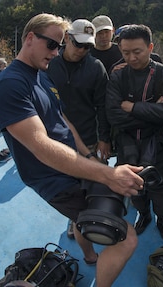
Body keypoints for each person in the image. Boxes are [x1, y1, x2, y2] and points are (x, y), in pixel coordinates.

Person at [0, 13, 144, 287]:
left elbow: (62, 121)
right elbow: (42, 147)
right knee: (126, 238)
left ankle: (88, 257)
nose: (56, 52)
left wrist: (88, 155)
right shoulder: (11, 84)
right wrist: (106, 175)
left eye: (59, 46)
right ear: (29, 38)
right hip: (55, 178)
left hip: (74, 164)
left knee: (81, 219)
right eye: (51, 44)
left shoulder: (41, 76)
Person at [106, 24, 163, 242]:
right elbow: (113, 115)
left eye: (137, 52)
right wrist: (153, 112)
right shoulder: (118, 76)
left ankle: (162, 220)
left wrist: (132, 107)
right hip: (127, 143)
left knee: (160, 188)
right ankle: (144, 215)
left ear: (150, 47)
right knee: (133, 187)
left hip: (156, 143)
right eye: (125, 52)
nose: (131, 58)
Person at [47, 18, 112, 239]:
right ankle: (75, 219)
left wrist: (104, 138)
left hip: (89, 137)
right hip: (57, 138)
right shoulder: (49, 63)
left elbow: (102, 106)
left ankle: (97, 217)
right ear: (66, 38)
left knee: (95, 180)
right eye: (78, 44)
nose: (82, 50)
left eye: (88, 47)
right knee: (70, 184)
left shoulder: (95, 68)